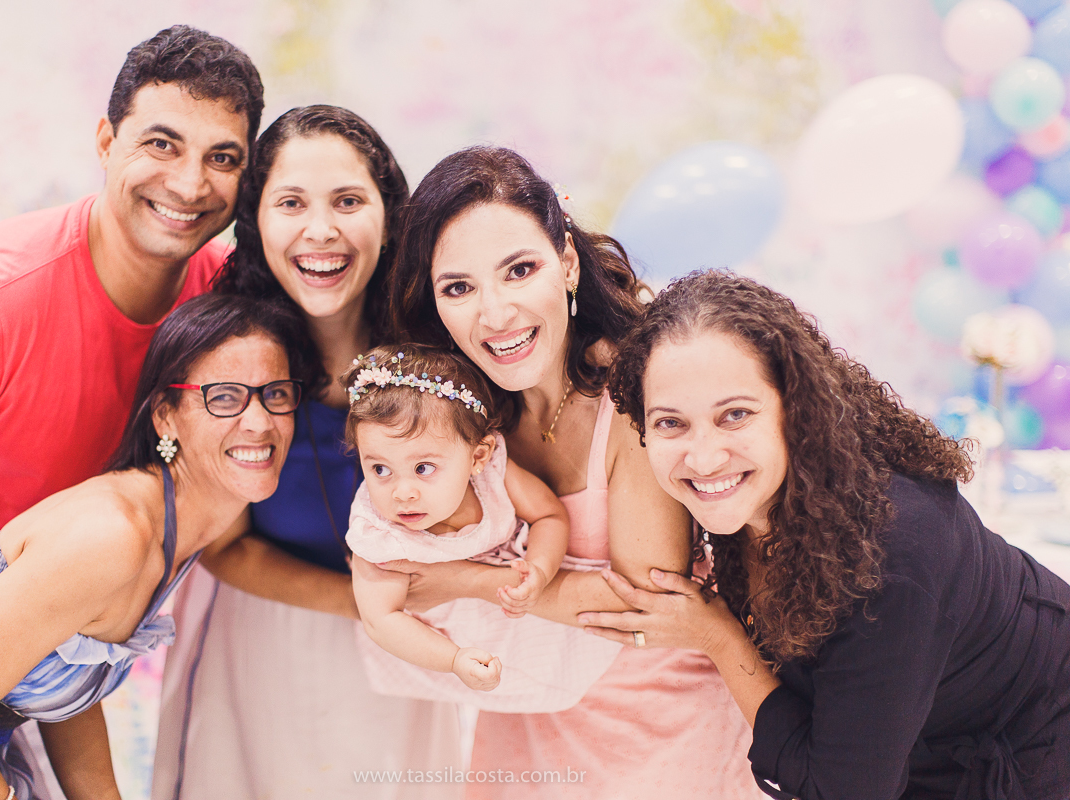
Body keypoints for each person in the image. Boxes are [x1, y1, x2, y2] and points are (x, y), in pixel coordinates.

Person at [0, 24, 262, 691]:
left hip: (49, 667)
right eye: (162, 144)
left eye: (222, 158)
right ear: (107, 143)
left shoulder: (228, 301)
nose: (190, 184)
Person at [587, 269, 1070, 799]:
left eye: (735, 415)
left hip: (1041, 743)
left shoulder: (889, 556)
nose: (702, 457)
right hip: (921, 743)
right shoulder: (754, 497)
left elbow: (838, 791)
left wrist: (718, 638)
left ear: (795, 408)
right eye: (670, 423)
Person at [386, 146, 760, 798]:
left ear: (564, 264)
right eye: (459, 287)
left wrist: (458, 581)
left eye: (519, 270)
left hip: (664, 734)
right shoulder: (460, 409)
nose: (495, 314)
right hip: (529, 724)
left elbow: (644, 603)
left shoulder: (635, 386)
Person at [0, 292, 305, 800]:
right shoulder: (113, 537)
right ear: (165, 417)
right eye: (225, 398)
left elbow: (68, 680)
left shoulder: (181, 528)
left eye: (276, 393)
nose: (259, 421)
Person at [151, 106, 461, 800]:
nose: (320, 229)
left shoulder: (442, 351)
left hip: (418, 654)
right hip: (266, 645)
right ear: (257, 220)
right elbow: (225, 547)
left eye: (347, 201)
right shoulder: (229, 359)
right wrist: (366, 606)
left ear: (391, 215)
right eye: (291, 203)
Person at [343, 344, 622, 709]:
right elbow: (382, 620)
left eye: (423, 468)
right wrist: (454, 659)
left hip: (536, 632)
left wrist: (538, 571)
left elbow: (548, 516)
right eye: (380, 469)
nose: (402, 492)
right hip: (449, 650)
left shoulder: (492, 474)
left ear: (478, 456)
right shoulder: (378, 531)